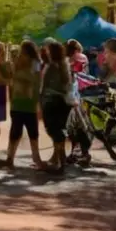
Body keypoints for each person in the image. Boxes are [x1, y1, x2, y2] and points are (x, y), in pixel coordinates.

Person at [6, 41, 46, 170]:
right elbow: (37, 83)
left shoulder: (19, 63)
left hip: (19, 102)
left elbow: (13, 82)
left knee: (16, 132)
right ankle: (36, 158)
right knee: (32, 132)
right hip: (28, 103)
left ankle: (10, 158)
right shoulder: (34, 63)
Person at [41, 41, 74, 173]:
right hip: (63, 102)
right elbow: (67, 84)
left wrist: (40, 101)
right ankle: (59, 159)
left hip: (51, 101)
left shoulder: (51, 67)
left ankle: (61, 162)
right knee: (60, 130)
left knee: (53, 131)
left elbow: (44, 86)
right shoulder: (65, 65)